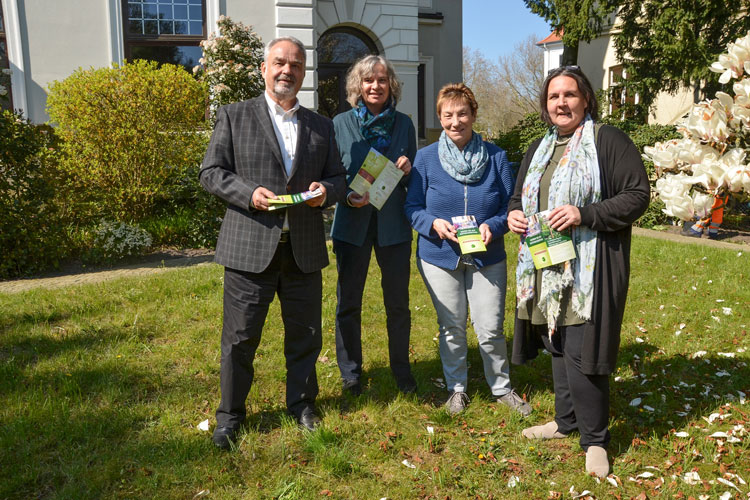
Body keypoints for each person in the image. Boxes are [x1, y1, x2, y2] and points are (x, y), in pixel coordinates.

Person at [199, 36, 347, 449]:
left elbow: (339, 179)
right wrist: (248, 194)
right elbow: (211, 172)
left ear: (304, 73)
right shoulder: (234, 115)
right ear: (264, 68)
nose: (287, 71)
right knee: (240, 339)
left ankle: (301, 406)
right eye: (279, 63)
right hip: (249, 248)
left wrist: (326, 192)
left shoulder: (321, 125)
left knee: (305, 335)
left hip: (303, 249)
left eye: (296, 65)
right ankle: (230, 417)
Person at [507, 66, 649, 477]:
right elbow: (519, 196)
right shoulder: (539, 147)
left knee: (583, 347)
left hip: (591, 264)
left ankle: (596, 440)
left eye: (570, 94)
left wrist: (584, 213)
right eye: (554, 97)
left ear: (585, 99)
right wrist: (516, 214)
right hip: (545, 265)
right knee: (557, 339)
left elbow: (637, 195)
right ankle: (566, 422)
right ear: (546, 105)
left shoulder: (608, 141)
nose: (561, 103)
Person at [405, 83, 531, 417]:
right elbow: (412, 207)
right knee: (452, 326)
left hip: (487, 256)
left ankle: (501, 387)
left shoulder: (497, 157)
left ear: (474, 115)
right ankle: (456, 389)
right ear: (440, 117)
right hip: (438, 255)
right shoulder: (425, 159)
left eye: (462, 113)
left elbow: (511, 206)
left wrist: (496, 225)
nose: (455, 121)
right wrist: (433, 224)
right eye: (448, 115)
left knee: (490, 327)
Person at [330, 55, 417, 396]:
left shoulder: (405, 125)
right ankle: (350, 372)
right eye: (368, 80)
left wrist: (410, 169)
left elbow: (415, 185)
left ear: (390, 84)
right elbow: (332, 175)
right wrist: (345, 196)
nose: (375, 86)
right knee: (348, 303)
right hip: (352, 226)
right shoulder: (339, 124)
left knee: (397, 303)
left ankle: (402, 369)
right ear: (358, 86)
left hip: (393, 226)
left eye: (381, 80)